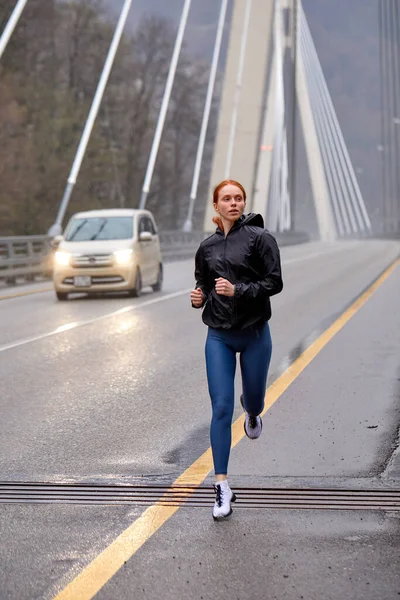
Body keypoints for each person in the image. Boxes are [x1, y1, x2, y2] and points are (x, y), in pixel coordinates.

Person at [191, 179, 283, 520]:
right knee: (220, 409)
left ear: (244, 202)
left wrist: (238, 290)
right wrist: (197, 297)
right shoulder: (207, 247)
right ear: (216, 206)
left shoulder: (261, 238)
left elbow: (275, 282)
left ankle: (254, 411)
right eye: (226, 199)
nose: (233, 203)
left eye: (238, 198)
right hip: (219, 335)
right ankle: (221, 487)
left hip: (255, 332)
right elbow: (202, 282)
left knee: (254, 398)